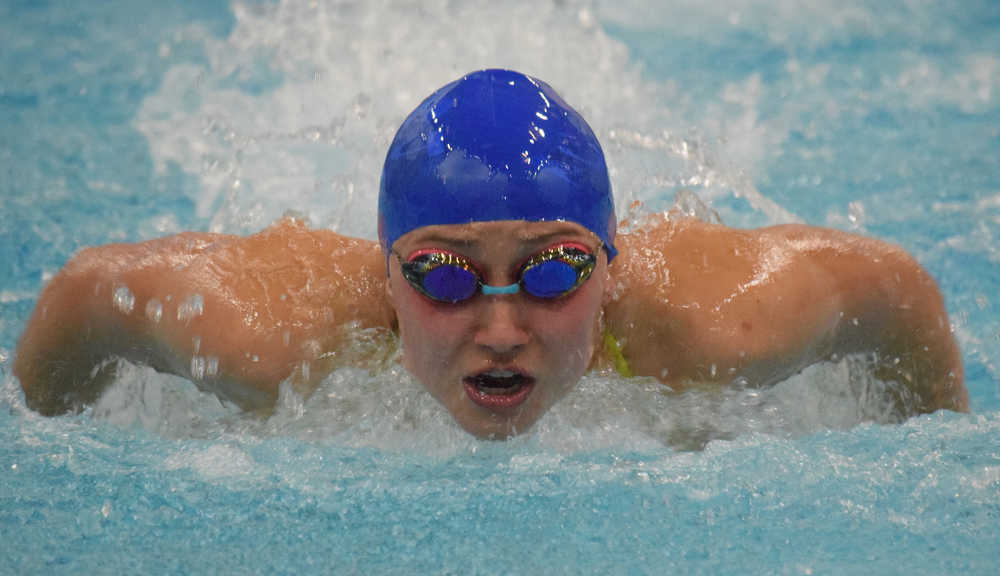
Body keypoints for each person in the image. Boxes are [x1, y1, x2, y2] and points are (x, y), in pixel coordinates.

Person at [14, 69, 968, 439]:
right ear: (385, 274)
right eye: (444, 277)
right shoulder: (278, 342)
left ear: (612, 268)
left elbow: (899, 292)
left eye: (555, 273)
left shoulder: (711, 325)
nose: (501, 328)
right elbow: (86, 295)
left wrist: (930, 432)